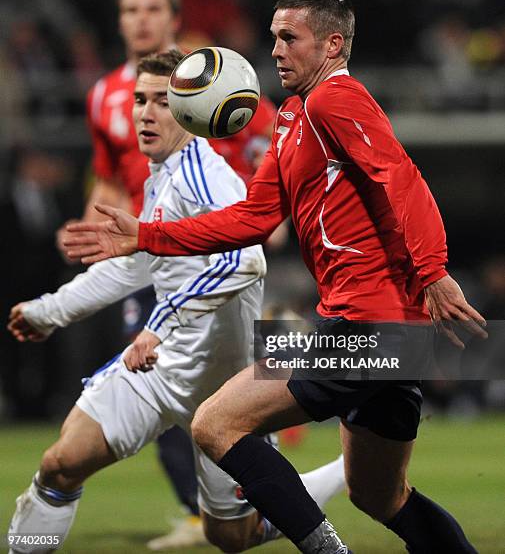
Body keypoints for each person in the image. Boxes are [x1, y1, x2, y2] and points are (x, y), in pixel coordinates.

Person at [64, 0, 487, 554]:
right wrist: (146, 234)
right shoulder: (293, 117)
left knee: (214, 424)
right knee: (379, 496)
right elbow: (251, 219)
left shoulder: (337, 98)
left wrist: (434, 270)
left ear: (333, 44)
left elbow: (400, 175)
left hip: (368, 325)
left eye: (291, 38)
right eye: (274, 38)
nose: (277, 50)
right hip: (380, 329)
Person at [7, 52, 344, 554]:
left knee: (232, 536)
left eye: (163, 101)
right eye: (139, 100)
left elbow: (244, 262)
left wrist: (159, 323)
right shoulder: (161, 176)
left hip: (223, 391)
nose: (145, 112)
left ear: (192, 111)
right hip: (159, 374)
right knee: (61, 463)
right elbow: (137, 266)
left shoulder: (206, 178)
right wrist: (49, 311)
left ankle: (345, 470)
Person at [58, 0, 281, 551]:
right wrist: (93, 234)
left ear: (173, 18)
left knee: (211, 378)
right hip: (144, 251)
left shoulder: (212, 80)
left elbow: (270, 143)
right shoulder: (105, 94)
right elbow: (108, 177)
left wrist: (265, 212)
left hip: (212, 250)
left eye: (152, 9)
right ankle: (201, 502)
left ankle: (246, 480)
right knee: (151, 370)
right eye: (130, 10)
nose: (141, 21)